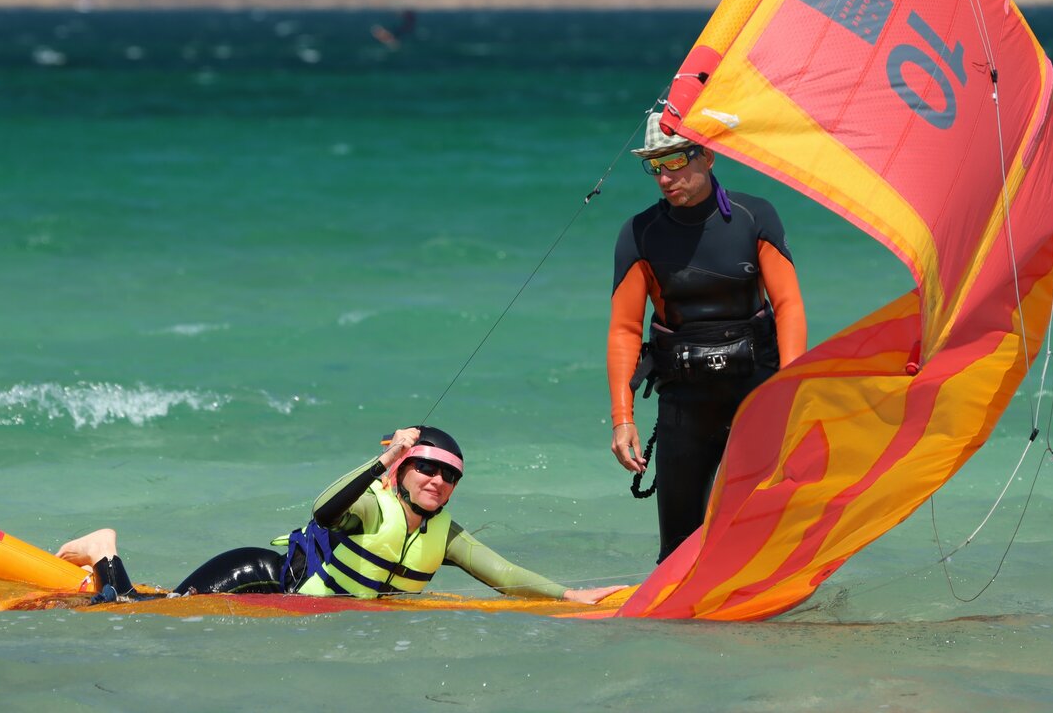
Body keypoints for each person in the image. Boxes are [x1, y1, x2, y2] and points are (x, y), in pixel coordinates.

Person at [58, 426, 624, 605]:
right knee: (130, 616)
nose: (438, 481)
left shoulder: (443, 534)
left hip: (294, 606)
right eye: (425, 467)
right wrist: (384, 456)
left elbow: (505, 576)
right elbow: (323, 509)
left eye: (450, 475)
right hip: (258, 574)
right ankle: (105, 547)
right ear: (402, 469)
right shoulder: (370, 507)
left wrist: (572, 596)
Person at [608, 111, 807, 563]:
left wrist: (793, 388)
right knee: (677, 549)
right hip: (685, 401)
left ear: (708, 155)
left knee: (764, 532)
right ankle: (683, 632)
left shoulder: (754, 216)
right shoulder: (640, 233)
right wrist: (623, 418)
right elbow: (624, 329)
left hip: (757, 390)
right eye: (655, 166)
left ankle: (773, 619)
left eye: (675, 161)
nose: (664, 177)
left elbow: (789, 304)